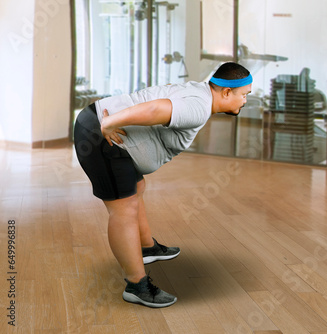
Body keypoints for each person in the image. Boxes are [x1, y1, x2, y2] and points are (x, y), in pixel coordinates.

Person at [73, 62, 252, 308]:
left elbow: (164, 93)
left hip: (98, 125)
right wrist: (110, 122)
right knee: (123, 209)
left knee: (137, 187)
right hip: (100, 134)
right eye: (244, 95)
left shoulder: (199, 91)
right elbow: (157, 108)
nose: (245, 101)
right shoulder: (198, 106)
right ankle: (136, 285)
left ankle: (147, 248)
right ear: (227, 92)